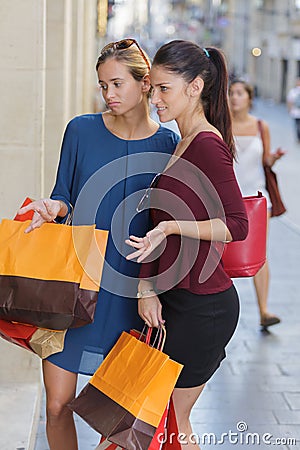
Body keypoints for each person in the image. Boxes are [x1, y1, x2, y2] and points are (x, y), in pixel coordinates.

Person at [17, 39, 179, 450]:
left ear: (145, 85)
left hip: (132, 295)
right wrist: (52, 206)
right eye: (102, 85)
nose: (108, 94)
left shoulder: (168, 146)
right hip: (74, 288)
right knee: (56, 406)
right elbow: (64, 195)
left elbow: (170, 225)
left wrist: (154, 289)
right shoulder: (80, 130)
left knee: (120, 422)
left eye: (117, 84)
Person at [126, 40, 248, 449]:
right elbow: (154, 226)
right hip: (177, 300)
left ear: (195, 87)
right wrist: (149, 288)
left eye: (164, 89)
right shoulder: (180, 142)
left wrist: (174, 228)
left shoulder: (207, 146)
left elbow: (237, 225)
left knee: (173, 426)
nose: (154, 98)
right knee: (160, 424)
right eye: (152, 87)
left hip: (203, 307)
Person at [228, 79, 285, 329]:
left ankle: (263, 310)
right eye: (231, 93)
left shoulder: (262, 126)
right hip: (229, 199)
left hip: (258, 200)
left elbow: (265, 162)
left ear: (250, 98)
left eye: (239, 93)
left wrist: (273, 159)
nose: (234, 97)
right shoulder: (221, 126)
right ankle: (221, 310)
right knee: (223, 255)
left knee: (260, 254)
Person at [287, 77, 300, 143]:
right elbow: (290, 101)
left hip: (296, 111)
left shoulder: (293, 91)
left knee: (297, 125)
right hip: (296, 112)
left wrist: (289, 109)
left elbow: (290, 101)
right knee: (297, 125)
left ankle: (298, 137)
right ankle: (298, 137)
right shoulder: (293, 91)